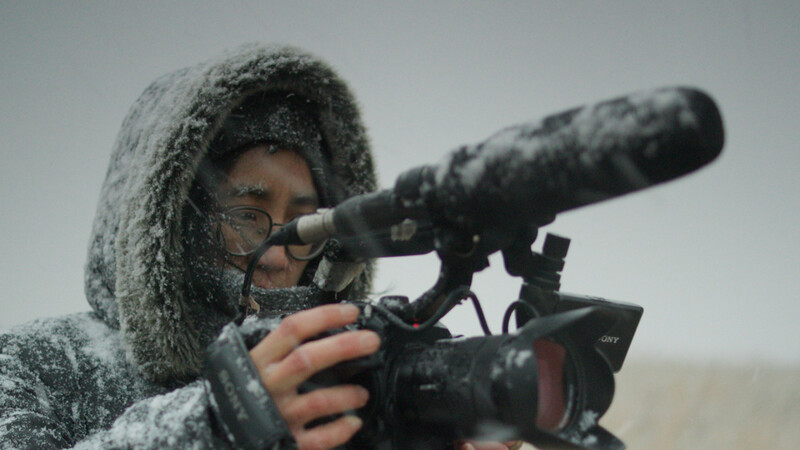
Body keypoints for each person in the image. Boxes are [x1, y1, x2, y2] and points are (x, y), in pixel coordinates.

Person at [0, 43, 515, 449]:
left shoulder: (349, 385)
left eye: (304, 227)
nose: (276, 254)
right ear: (176, 222)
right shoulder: (37, 363)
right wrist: (217, 426)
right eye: (248, 216)